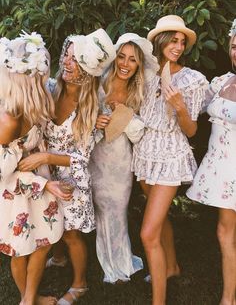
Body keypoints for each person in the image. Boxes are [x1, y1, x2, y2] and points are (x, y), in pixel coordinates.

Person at [18, 29, 116, 304]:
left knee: (71, 234)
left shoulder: (89, 106)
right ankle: (58, 258)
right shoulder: (51, 88)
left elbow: (81, 158)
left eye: (74, 60)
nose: (66, 63)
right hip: (44, 174)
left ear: (86, 69)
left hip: (72, 178)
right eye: (66, 55)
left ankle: (80, 284)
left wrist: (45, 158)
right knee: (48, 224)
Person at [131, 15, 208, 304]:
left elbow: (191, 131)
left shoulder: (192, 80)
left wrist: (180, 108)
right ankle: (172, 267)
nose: (178, 46)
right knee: (159, 219)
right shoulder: (147, 76)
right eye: (173, 40)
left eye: (182, 42)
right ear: (159, 41)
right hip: (145, 153)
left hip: (170, 155)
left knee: (148, 234)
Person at [0, 32, 70, 305]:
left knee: (43, 243)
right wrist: (44, 184)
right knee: (20, 250)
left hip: (40, 180)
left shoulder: (39, 98)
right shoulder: (8, 119)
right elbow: (4, 173)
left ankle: (29, 299)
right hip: (18, 191)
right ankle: (27, 300)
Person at [89, 33, 159, 283]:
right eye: (121, 56)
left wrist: (128, 118)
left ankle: (119, 265)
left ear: (139, 64)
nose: (125, 64)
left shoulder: (138, 92)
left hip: (120, 161)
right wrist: (95, 121)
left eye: (132, 59)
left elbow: (140, 134)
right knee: (99, 210)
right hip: (94, 158)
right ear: (114, 57)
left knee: (116, 211)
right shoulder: (98, 83)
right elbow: (81, 118)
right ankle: (106, 260)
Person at [186, 19, 236, 305]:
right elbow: (194, 103)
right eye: (234, 46)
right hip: (222, 169)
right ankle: (228, 299)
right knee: (224, 231)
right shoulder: (221, 82)